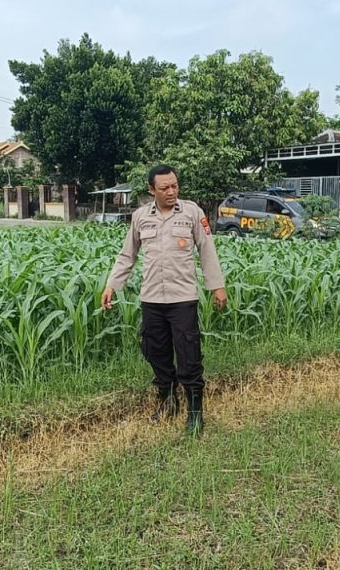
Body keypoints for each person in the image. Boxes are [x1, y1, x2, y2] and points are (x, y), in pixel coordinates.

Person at [101, 165, 227, 436]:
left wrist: (217, 286)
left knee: (188, 355)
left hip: (183, 298)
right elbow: (127, 255)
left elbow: (207, 251)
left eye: (174, 186)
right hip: (152, 299)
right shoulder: (140, 217)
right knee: (155, 352)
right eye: (164, 188)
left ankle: (195, 413)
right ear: (151, 190)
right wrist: (112, 285)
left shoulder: (192, 212)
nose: (171, 192)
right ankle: (168, 402)